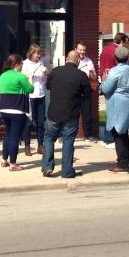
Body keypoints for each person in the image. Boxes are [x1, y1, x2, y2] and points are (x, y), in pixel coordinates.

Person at [41, 50, 91, 178]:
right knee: (68, 141)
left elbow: (48, 86)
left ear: (66, 59)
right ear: (78, 61)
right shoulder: (81, 76)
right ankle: (67, 171)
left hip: (54, 112)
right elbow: (87, 96)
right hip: (71, 113)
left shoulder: (55, 72)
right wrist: (86, 118)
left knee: (48, 138)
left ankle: (47, 167)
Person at [100, 46, 129, 173]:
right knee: (126, 130)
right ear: (127, 57)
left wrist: (104, 79)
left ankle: (122, 163)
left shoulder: (114, 71)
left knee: (118, 132)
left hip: (119, 103)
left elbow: (106, 89)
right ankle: (128, 158)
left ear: (115, 58)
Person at [0, 54, 34, 171]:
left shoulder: (2, 76)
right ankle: (13, 163)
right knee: (15, 137)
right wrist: (30, 80)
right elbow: (30, 89)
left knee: (7, 135)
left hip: (4, 109)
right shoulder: (20, 76)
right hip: (17, 109)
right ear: (17, 64)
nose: (22, 66)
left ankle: (4, 160)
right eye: (22, 64)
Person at [21, 44, 48, 156]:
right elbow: (23, 79)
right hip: (30, 96)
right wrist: (30, 76)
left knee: (41, 121)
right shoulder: (25, 64)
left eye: (39, 53)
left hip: (40, 94)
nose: (39, 55)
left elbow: (43, 80)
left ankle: (40, 145)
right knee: (29, 121)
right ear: (31, 53)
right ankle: (27, 145)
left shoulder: (41, 63)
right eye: (37, 53)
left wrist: (44, 74)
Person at [75, 42, 98, 141]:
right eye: (80, 50)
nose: (82, 52)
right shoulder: (73, 60)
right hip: (74, 90)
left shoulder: (88, 61)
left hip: (85, 90)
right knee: (71, 113)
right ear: (76, 49)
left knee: (87, 113)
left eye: (84, 50)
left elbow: (94, 77)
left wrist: (93, 73)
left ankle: (88, 134)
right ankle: (69, 134)